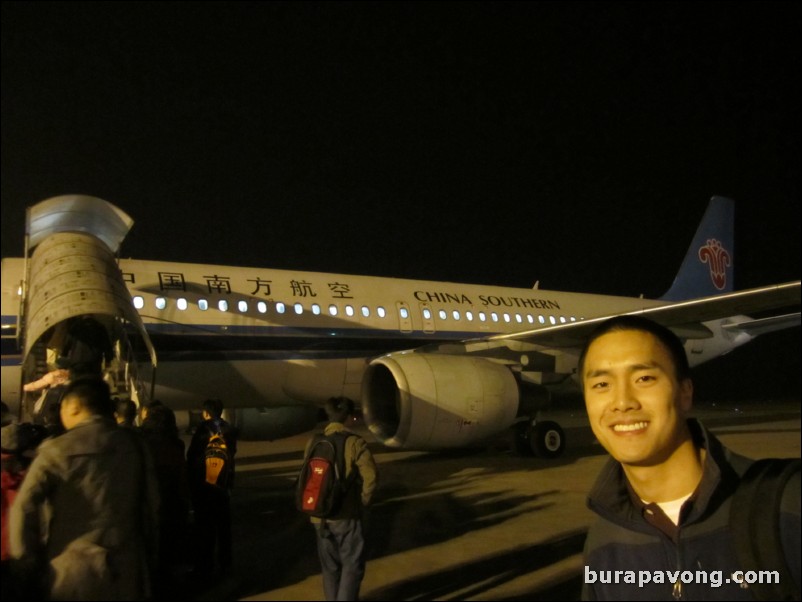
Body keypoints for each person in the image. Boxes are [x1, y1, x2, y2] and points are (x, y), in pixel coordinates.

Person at [579, 315, 800, 601]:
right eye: (601, 385)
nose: (622, 402)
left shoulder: (786, 505)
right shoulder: (603, 542)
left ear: (685, 393)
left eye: (644, 378)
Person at [8, 377, 160, 601]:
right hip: (126, 571)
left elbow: (24, 507)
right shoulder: (135, 445)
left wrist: (26, 562)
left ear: (74, 406)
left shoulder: (55, 450)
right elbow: (154, 507)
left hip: (71, 573)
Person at [304, 397, 378, 602]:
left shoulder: (314, 442)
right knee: (352, 566)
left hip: (318, 515)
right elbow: (370, 477)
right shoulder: (354, 442)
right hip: (345, 515)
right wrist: (363, 501)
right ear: (346, 417)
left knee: (330, 568)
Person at [140, 403, 192, 599]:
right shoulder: (175, 445)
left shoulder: (141, 443)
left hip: (149, 507)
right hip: (172, 506)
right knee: (172, 552)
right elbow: (181, 477)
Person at [186, 398, 237, 580]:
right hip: (223, 484)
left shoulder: (202, 429)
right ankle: (225, 564)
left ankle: (205, 565)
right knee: (223, 526)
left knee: (204, 527)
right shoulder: (228, 429)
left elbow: (192, 456)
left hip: (204, 485)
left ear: (206, 412)